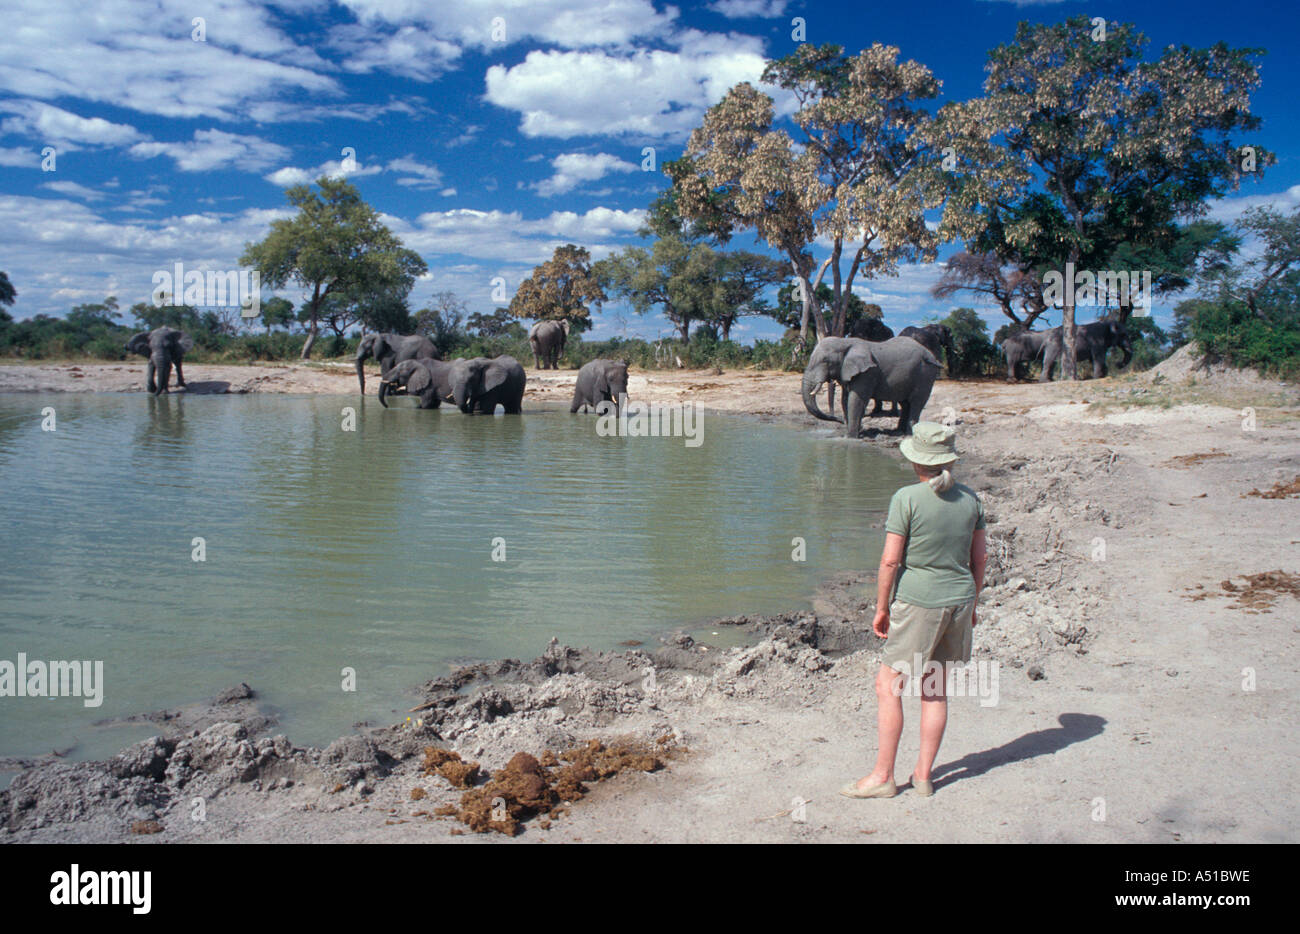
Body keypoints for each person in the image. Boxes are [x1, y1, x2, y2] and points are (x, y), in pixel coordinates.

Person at [841, 421, 987, 799]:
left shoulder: (906, 498)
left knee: (888, 685)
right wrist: (973, 604)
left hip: (920, 602)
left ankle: (884, 777)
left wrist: (881, 607)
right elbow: (979, 559)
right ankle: (923, 777)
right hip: (959, 600)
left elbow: (890, 562)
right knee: (935, 689)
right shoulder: (971, 499)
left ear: (915, 460)